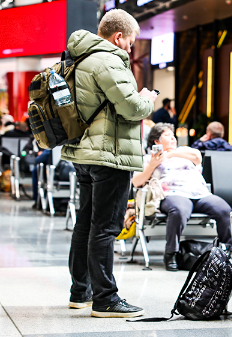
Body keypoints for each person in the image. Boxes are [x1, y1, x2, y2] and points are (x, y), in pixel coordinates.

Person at [61, 9, 157, 318]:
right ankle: (105, 299)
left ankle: (81, 292)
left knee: (86, 222)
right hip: (109, 154)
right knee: (105, 227)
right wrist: (148, 98)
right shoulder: (108, 60)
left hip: (83, 153)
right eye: (130, 43)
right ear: (118, 37)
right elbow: (131, 107)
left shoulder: (78, 58)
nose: (130, 49)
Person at [132, 123, 232, 271]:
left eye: (173, 136)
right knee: (179, 210)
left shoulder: (184, 152)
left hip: (200, 193)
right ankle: (171, 253)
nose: (173, 138)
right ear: (156, 142)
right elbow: (136, 182)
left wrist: (171, 154)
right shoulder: (148, 158)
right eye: (167, 135)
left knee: (224, 209)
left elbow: (197, 157)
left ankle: (228, 251)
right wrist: (153, 164)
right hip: (173, 193)